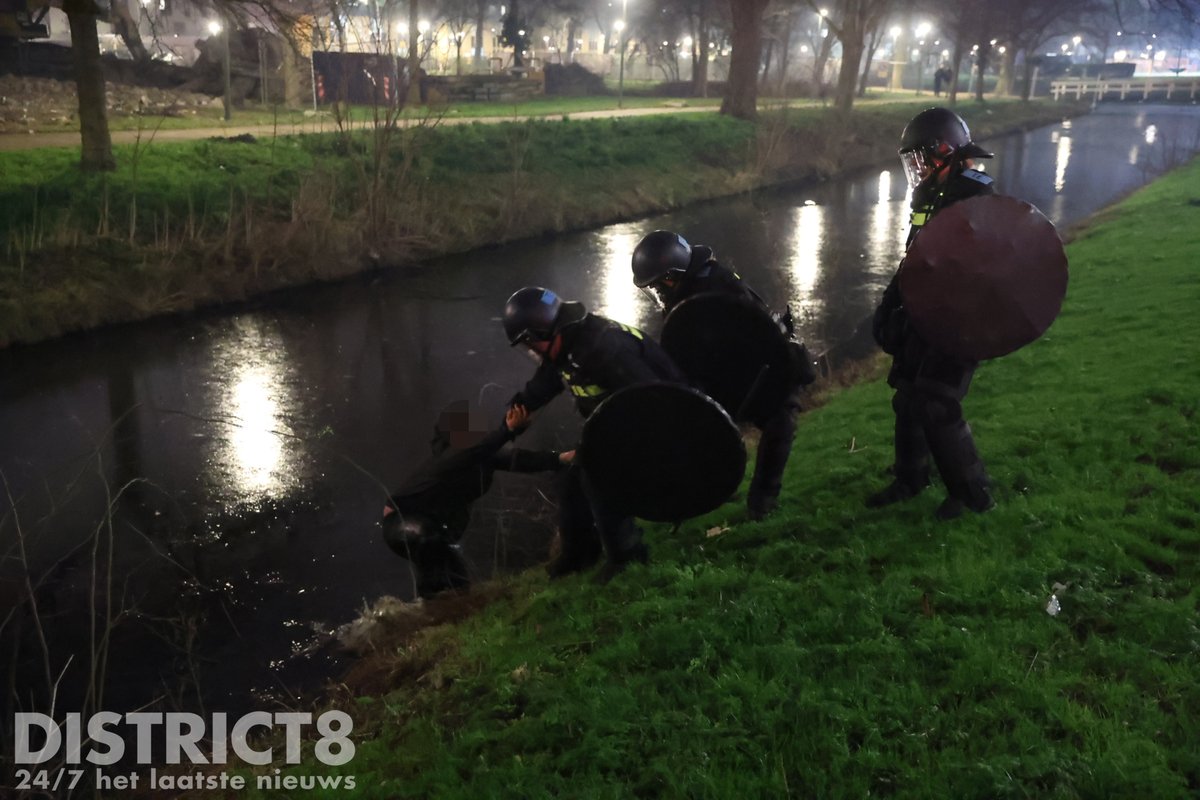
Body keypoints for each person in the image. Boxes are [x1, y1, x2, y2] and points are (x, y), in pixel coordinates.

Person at [503, 286, 687, 581]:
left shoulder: (603, 349)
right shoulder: (565, 343)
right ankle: (579, 553)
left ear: (543, 332)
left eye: (530, 343)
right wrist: (516, 412)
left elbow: (652, 399)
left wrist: (617, 448)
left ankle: (627, 554)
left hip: (665, 424)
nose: (532, 350)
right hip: (615, 424)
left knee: (598, 476)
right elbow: (544, 384)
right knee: (570, 477)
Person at [631, 230, 817, 520]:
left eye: (661, 283)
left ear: (675, 273)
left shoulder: (720, 285)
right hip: (721, 371)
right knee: (710, 432)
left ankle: (763, 500)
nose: (659, 291)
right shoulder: (679, 297)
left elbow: (757, 328)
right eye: (652, 287)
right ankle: (717, 488)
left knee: (780, 420)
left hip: (763, 364)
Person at [869, 106, 997, 520]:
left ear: (945, 152)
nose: (918, 169)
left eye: (922, 159)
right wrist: (892, 305)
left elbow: (976, 268)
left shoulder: (974, 196)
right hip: (927, 313)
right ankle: (910, 479)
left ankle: (973, 494)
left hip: (960, 320)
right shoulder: (931, 195)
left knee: (937, 402)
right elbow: (917, 255)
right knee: (908, 397)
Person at [382, 402, 569, 596]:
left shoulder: (483, 456)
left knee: (458, 582)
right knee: (425, 539)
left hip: (434, 527)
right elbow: (474, 451)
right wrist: (508, 430)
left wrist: (561, 459)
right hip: (402, 521)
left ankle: (441, 604)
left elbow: (517, 459)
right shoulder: (449, 459)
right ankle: (429, 599)